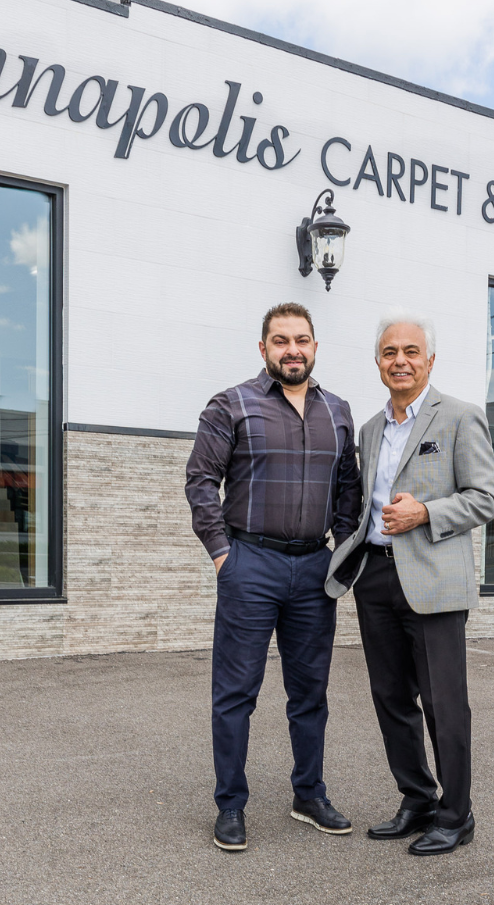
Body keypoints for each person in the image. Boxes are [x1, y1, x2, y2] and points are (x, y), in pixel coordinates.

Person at [185, 302, 364, 853]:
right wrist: (224, 557)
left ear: (315, 347)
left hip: (314, 568)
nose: (293, 349)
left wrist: (339, 552)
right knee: (235, 693)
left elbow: (348, 489)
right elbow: (200, 482)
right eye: (281, 340)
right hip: (250, 565)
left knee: (310, 693)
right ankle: (230, 805)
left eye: (302, 340)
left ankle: (308, 794)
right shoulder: (230, 405)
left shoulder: (338, 411)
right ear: (263, 348)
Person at [324, 311, 494, 856]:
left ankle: (456, 814)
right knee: (391, 698)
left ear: (428, 360)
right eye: (389, 353)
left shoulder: (460, 418)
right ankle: (417, 798)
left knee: (444, 703)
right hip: (376, 574)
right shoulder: (372, 429)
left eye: (410, 352)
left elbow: (487, 498)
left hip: (433, 581)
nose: (400, 361)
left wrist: (425, 512)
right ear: (378, 362)